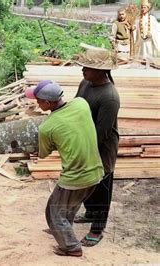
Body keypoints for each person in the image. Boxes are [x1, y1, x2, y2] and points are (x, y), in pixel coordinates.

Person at [25, 80, 104, 257]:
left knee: (56, 213)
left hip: (76, 178)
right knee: (61, 205)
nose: (36, 103)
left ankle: (71, 247)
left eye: (38, 100)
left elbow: (43, 154)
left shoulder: (47, 127)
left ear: (47, 103)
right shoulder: (81, 104)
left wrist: (35, 145)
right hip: (96, 172)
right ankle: (60, 231)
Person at [73, 43, 120, 247]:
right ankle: (90, 213)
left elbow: (102, 132)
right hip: (84, 141)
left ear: (100, 70)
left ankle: (97, 228)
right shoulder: (85, 84)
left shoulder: (109, 96)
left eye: (86, 67)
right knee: (85, 182)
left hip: (101, 147)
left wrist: (85, 148)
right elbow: (75, 107)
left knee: (101, 187)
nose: (82, 69)